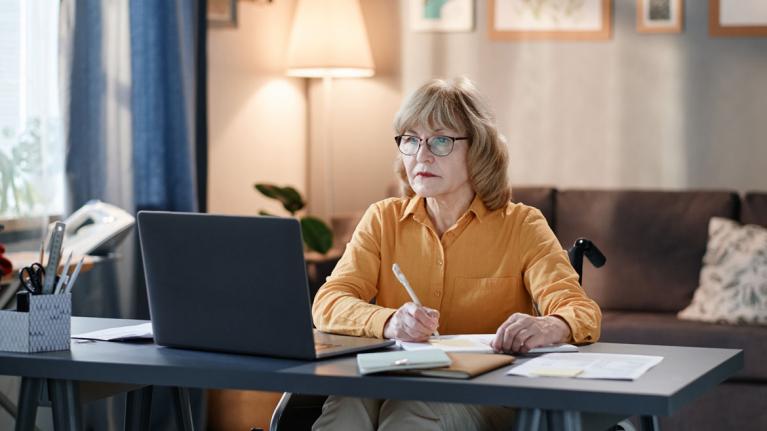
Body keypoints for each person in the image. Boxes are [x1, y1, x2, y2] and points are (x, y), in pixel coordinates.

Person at [310, 77, 602, 431]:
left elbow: (581, 312)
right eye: (411, 140)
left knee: (409, 414)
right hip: (392, 378)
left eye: (441, 140)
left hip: (483, 393)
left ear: (478, 151)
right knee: (344, 409)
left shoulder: (523, 225)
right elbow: (328, 302)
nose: (421, 155)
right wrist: (389, 323)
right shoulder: (382, 219)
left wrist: (548, 325)